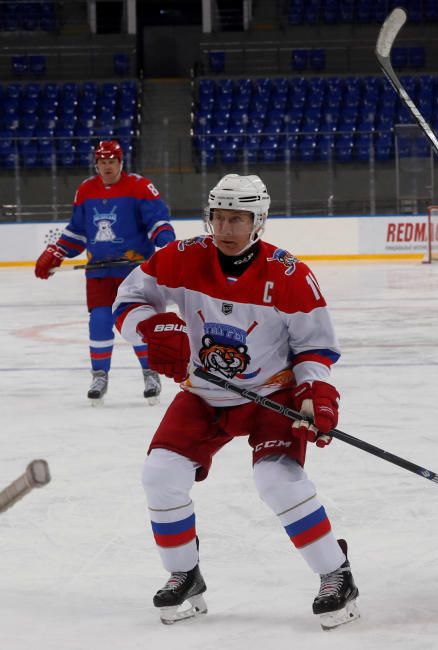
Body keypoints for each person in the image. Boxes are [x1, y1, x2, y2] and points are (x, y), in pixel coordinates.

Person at [111, 174, 360, 629]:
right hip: (203, 393)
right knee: (160, 474)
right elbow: (127, 299)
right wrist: (149, 331)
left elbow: (316, 349)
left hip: (270, 395)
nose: (226, 229)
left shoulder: (289, 274)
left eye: (238, 219)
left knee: (277, 480)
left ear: (258, 221)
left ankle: (336, 575)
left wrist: (315, 393)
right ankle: (184, 574)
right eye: (219, 218)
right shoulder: (181, 257)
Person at [34, 139, 176, 405]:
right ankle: (99, 375)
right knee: (99, 322)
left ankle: (150, 372)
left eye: (112, 161)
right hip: (99, 273)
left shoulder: (140, 187)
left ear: (121, 162)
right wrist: (57, 252)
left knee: (139, 322)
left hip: (134, 273)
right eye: (102, 162)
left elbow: (157, 220)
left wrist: (165, 241)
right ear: (96, 164)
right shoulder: (86, 190)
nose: (107, 167)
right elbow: (77, 231)